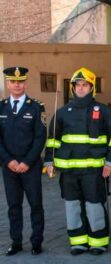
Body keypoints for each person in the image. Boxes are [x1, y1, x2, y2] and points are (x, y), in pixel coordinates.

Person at [44, 67, 111, 255]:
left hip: (94, 171)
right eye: (77, 85)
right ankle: (77, 241)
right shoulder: (62, 112)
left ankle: (98, 242)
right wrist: (49, 162)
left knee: (94, 205)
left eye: (84, 85)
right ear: (72, 88)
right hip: (69, 173)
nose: (80, 88)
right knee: (72, 206)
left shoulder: (103, 111)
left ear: (91, 87)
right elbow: (52, 140)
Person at [0, 66, 46, 256]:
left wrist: (27, 162)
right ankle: (16, 242)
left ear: (25, 83)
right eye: (13, 81)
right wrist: (8, 161)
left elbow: (40, 137)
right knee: (13, 206)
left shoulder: (36, 106)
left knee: (36, 205)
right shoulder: (0, 107)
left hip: (31, 166)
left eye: (20, 81)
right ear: (8, 83)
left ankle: (36, 242)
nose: (17, 85)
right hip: (8, 167)